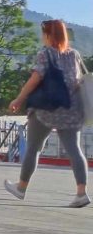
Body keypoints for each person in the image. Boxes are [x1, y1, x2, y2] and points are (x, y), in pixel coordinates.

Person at [6, 19, 89, 208]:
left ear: (49, 35)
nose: (42, 37)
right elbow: (76, 81)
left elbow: (35, 79)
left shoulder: (45, 54)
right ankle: (81, 193)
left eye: (44, 34)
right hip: (71, 109)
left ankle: (21, 187)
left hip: (46, 109)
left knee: (34, 147)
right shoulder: (74, 54)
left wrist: (18, 99)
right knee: (75, 150)